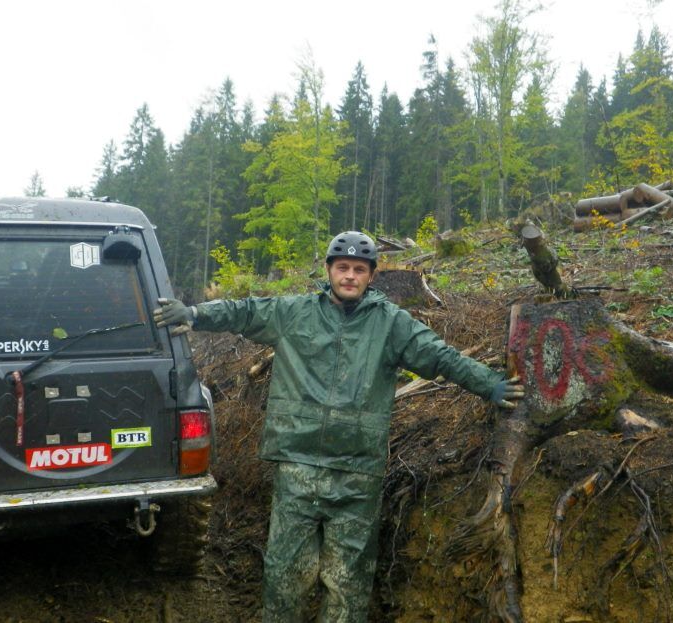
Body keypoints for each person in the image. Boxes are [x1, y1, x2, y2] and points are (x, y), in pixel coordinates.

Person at [153, 231, 524, 623]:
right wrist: (193, 315)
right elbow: (243, 312)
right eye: (342, 267)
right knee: (285, 575)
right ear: (329, 270)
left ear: (372, 276)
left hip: (357, 473)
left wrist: (490, 385)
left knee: (348, 581)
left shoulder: (391, 324)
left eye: (359, 269)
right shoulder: (293, 312)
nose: (350, 276)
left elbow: (440, 356)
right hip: (297, 466)